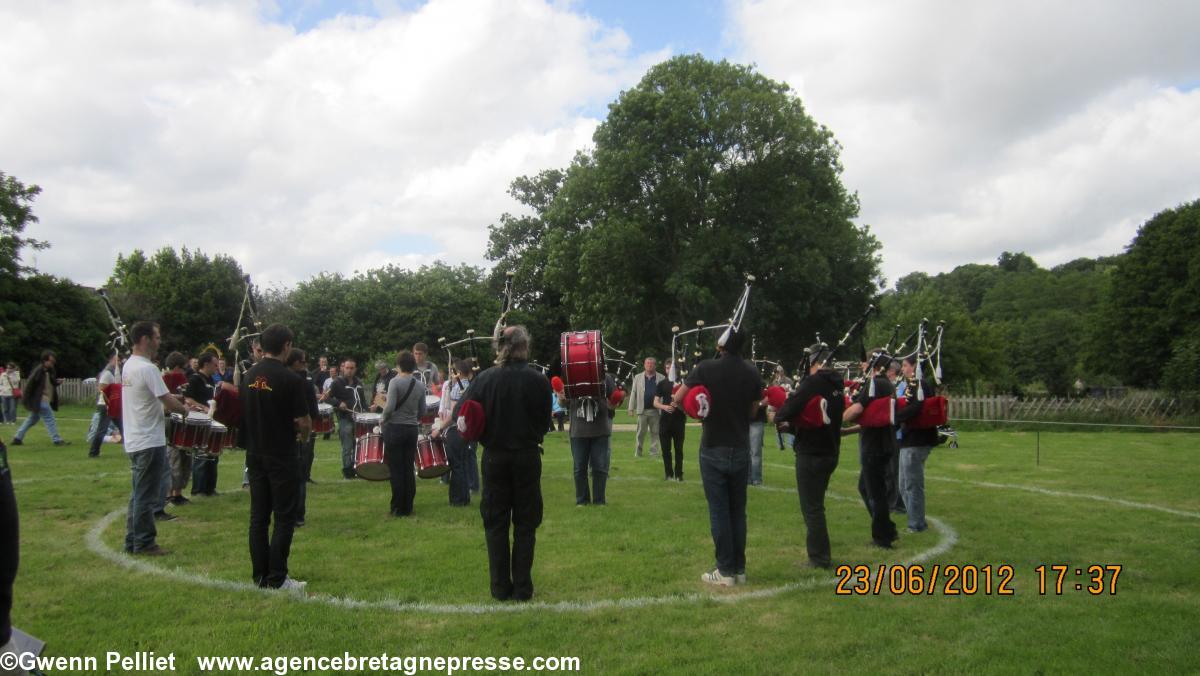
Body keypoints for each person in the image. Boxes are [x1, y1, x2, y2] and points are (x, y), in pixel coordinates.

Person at [463, 326, 552, 601]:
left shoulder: (484, 379)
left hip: (494, 456)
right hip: (527, 455)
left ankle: (500, 587)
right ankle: (522, 588)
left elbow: (466, 416)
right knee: (526, 523)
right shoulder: (538, 380)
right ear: (524, 346)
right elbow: (544, 422)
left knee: (495, 522)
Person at [673, 330, 763, 586]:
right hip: (740, 443)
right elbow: (754, 410)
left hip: (713, 445)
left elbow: (679, 399)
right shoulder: (752, 371)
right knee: (738, 511)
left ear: (721, 345)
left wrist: (698, 413)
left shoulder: (705, 368)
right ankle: (739, 569)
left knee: (719, 510)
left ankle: (724, 570)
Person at [241, 324, 311, 591]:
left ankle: (260, 575)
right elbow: (303, 422)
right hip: (281, 454)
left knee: (258, 517)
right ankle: (278, 577)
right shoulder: (291, 380)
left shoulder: (248, 376)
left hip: (255, 453)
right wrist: (303, 438)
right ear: (286, 346)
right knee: (284, 517)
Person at [122, 321, 198, 555]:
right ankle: (144, 542)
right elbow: (168, 401)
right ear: (145, 339)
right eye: (156, 337)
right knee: (147, 495)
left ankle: (132, 540)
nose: (159, 341)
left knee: (138, 493)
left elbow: (151, 396)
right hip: (149, 440)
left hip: (135, 438)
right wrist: (185, 410)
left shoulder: (129, 365)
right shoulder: (148, 368)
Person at [776, 346, 845, 568]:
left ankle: (819, 557)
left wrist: (780, 415)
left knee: (812, 507)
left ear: (814, 361)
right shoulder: (836, 385)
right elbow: (818, 416)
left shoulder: (813, 383)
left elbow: (787, 409)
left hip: (811, 452)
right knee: (817, 504)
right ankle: (820, 552)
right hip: (831, 449)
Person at [843, 350, 899, 549]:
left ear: (875, 366)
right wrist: (848, 431)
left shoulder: (875, 384)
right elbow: (874, 418)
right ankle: (886, 527)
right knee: (867, 488)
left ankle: (883, 537)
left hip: (874, 446)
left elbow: (858, 410)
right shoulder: (888, 385)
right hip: (883, 442)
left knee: (875, 492)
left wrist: (842, 415)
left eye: (866, 364)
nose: (863, 367)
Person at [894, 356, 938, 533]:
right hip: (910, 439)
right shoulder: (915, 385)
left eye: (905, 365)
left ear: (914, 367)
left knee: (912, 484)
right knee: (904, 484)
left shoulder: (918, 385)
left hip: (916, 439)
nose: (902, 369)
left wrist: (895, 417)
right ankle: (915, 520)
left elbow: (916, 408)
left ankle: (917, 524)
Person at [379, 351, 426, 516]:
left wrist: (382, 419)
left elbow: (390, 407)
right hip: (412, 429)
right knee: (408, 467)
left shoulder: (395, 382)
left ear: (398, 365)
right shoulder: (420, 385)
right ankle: (409, 506)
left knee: (396, 469)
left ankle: (398, 507)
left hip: (395, 428)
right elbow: (423, 411)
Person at [559, 371, 615, 506]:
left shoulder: (605, 377)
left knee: (600, 468)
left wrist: (614, 400)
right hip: (578, 430)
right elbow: (562, 404)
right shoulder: (570, 375)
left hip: (600, 428)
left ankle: (599, 500)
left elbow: (613, 404)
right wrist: (561, 396)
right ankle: (582, 500)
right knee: (579, 467)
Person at [432, 359, 475, 506]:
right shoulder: (471, 386)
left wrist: (440, 428)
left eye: (452, 371)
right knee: (462, 463)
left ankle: (458, 500)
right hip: (465, 430)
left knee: (456, 465)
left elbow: (454, 414)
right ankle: (464, 498)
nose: (450, 374)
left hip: (455, 430)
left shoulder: (458, 388)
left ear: (458, 373)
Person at [286, 348, 319, 527]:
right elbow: (312, 412)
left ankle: (291, 514)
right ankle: (298, 515)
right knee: (299, 476)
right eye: (303, 361)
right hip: (299, 432)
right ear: (295, 362)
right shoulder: (304, 383)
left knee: (291, 476)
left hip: (285, 433)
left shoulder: (279, 379)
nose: (306, 365)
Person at [11, 351, 67, 446]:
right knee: (50, 418)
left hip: (43, 400)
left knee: (32, 419)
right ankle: (56, 440)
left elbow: (51, 382)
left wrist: (58, 382)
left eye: (53, 361)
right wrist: (26, 399)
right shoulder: (39, 371)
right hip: (40, 400)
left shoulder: (49, 371)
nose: (53, 363)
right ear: (45, 360)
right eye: (51, 361)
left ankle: (17, 438)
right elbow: (29, 385)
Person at [328, 359, 369, 479]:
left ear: (355, 369)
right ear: (343, 368)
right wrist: (338, 403)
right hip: (345, 418)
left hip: (359, 419)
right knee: (347, 446)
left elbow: (362, 401)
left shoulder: (359, 383)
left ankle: (357, 468)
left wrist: (368, 408)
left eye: (352, 368)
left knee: (359, 445)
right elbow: (326, 398)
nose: (349, 370)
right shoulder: (337, 382)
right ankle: (347, 471)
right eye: (347, 368)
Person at [628, 357, 665, 457]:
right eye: (647, 363)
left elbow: (665, 394)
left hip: (656, 411)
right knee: (640, 433)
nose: (649, 365)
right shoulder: (637, 377)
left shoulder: (662, 378)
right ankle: (638, 453)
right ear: (644, 365)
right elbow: (633, 393)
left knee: (655, 433)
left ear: (655, 365)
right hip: (642, 410)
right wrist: (630, 408)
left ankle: (654, 453)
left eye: (651, 363)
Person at [88, 354, 123, 458]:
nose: (119, 362)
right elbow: (101, 388)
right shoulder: (107, 373)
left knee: (123, 426)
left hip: (112, 405)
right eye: (117, 360)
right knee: (102, 429)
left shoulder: (114, 373)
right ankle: (93, 452)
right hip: (106, 405)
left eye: (120, 360)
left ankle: (132, 449)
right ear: (111, 360)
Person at [654, 373, 686, 481]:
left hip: (679, 421)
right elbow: (655, 402)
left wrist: (679, 406)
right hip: (665, 422)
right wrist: (664, 407)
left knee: (679, 450)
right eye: (668, 367)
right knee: (666, 450)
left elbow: (687, 405)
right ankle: (668, 474)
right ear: (666, 369)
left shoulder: (683, 384)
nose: (670, 370)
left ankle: (679, 474)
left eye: (672, 367)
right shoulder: (662, 383)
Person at [885, 359, 906, 514]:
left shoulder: (902, 387)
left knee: (895, 469)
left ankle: (898, 503)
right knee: (887, 470)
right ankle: (889, 499)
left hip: (897, 434)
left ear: (891, 372)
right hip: (887, 433)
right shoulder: (888, 386)